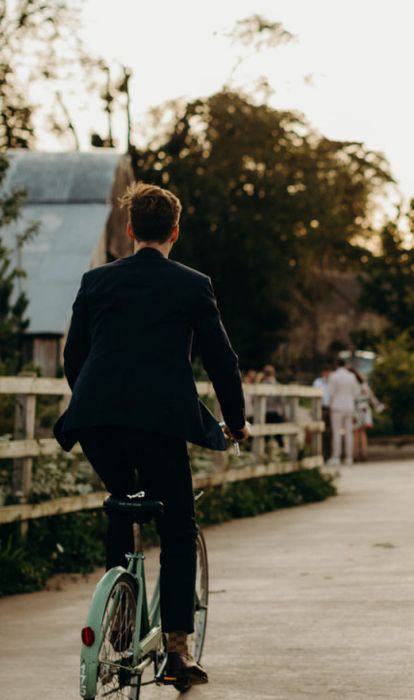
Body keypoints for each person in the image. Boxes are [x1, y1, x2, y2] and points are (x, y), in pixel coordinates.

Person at [54, 182, 250, 687]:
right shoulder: (192, 284)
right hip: (161, 422)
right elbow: (221, 362)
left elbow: (73, 359)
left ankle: (117, 623)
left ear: (129, 230)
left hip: (96, 419)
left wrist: (100, 406)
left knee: (123, 502)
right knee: (178, 525)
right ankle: (177, 652)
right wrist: (236, 420)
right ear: (175, 232)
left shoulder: (96, 281)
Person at [326, 358, 360, 466]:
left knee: (336, 433)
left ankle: (336, 456)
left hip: (337, 406)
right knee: (349, 433)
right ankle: (349, 457)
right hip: (349, 405)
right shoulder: (351, 376)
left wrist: (330, 404)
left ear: (336, 364)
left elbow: (330, 393)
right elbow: (356, 392)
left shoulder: (334, 376)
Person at [349, 366, 383, 462]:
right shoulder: (364, 385)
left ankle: (355, 454)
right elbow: (372, 397)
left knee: (355, 433)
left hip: (356, 409)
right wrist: (378, 406)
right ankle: (364, 453)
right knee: (363, 433)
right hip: (365, 409)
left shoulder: (352, 386)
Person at [312, 366, 332, 460]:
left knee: (330, 433)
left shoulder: (333, 382)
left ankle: (329, 454)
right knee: (321, 432)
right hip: (321, 408)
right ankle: (320, 453)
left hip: (331, 408)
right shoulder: (318, 382)